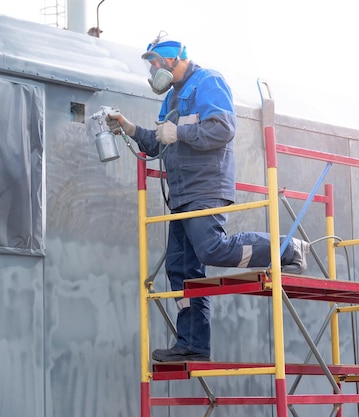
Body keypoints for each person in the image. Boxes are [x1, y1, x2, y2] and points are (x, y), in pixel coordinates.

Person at [106, 32, 310, 362]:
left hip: (205, 186)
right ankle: (193, 343)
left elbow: (223, 129)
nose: (153, 69)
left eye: (156, 62)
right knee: (180, 268)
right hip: (182, 194)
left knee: (211, 248)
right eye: (151, 64)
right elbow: (160, 144)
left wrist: (180, 132)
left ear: (173, 59)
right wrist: (129, 128)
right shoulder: (169, 99)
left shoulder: (207, 82)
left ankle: (288, 247)